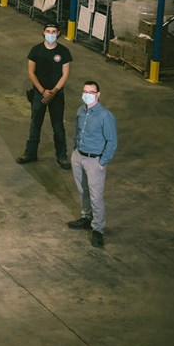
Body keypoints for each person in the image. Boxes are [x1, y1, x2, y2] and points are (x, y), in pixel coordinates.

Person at [67, 81, 118, 248]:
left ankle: (97, 229)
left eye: (91, 92)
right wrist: (75, 150)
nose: (87, 95)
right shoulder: (80, 111)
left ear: (98, 94)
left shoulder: (105, 116)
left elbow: (112, 141)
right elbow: (77, 132)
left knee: (96, 196)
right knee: (83, 190)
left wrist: (103, 162)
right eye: (85, 91)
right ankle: (86, 218)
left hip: (94, 160)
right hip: (79, 156)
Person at [16, 23, 73, 169]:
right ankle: (30, 153)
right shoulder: (36, 50)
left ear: (58, 33)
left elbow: (65, 75)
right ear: (43, 32)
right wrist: (43, 91)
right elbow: (31, 73)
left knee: (58, 125)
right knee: (35, 124)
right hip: (39, 94)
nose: (50, 34)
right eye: (48, 31)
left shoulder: (64, 52)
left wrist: (53, 92)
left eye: (53, 31)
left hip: (56, 95)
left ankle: (61, 156)